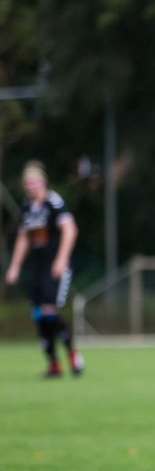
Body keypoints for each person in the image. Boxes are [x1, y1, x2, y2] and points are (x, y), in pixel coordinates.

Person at [5, 161, 83, 378]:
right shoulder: (27, 207)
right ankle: (53, 364)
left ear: (43, 182)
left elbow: (70, 230)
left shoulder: (54, 202)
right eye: (27, 183)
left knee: (49, 311)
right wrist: (14, 266)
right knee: (38, 315)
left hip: (56, 267)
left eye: (34, 181)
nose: (30, 186)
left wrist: (61, 259)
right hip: (37, 269)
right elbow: (23, 238)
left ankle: (72, 355)